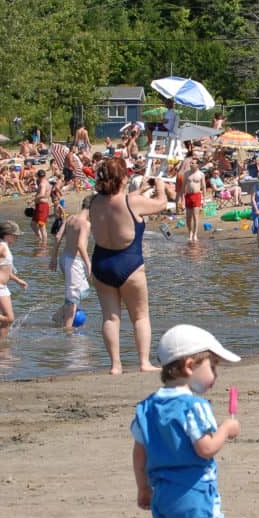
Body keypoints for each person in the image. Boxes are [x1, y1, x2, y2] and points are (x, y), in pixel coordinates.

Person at [131, 325, 241, 518]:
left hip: (161, 492)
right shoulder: (195, 406)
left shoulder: (148, 406)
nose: (215, 376)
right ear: (190, 366)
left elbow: (139, 452)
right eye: (213, 367)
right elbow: (205, 448)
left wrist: (142, 486)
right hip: (194, 492)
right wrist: (226, 430)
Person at [89, 157, 168, 375]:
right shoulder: (131, 202)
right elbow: (161, 204)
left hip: (102, 263)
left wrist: (139, 191)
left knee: (110, 317)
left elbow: (117, 201)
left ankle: (115, 365)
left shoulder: (93, 201)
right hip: (129, 263)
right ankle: (143, 362)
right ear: (124, 177)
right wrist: (159, 186)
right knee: (140, 316)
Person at [51, 196, 93, 328]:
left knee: (79, 291)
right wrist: (89, 263)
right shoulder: (85, 224)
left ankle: (58, 316)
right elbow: (80, 245)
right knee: (73, 299)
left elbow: (58, 237)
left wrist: (54, 258)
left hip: (65, 259)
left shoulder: (70, 218)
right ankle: (68, 332)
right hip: (74, 262)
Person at [184, 160, 206, 244]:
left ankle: (195, 234)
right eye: (191, 163)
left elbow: (203, 187)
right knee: (188, 217)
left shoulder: (201, 174)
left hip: (196, 195)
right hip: (188, 196)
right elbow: (183, 187)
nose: (191, 164)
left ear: (197, 165)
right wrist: (182, 199)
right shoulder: (186, 173)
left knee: (195, 216)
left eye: (193, 163)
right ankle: (190, 233)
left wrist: (204, 200)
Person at [31, 169, 52, 246]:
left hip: (42, 206)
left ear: (38, 177)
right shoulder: (47, 183)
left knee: (42, 226)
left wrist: (34, 199)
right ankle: (40, 238)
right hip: (40, 206)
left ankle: (44, 244)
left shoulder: (42, 184)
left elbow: (42, 194)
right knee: (33, 224)